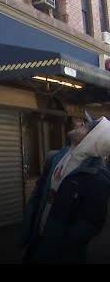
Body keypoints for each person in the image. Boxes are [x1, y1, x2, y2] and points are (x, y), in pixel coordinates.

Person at [20, 111, 110, 264]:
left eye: (86, 125)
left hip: (61, 254)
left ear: (93, 138)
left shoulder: (97, 176)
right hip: (36, 242)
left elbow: (90, 224)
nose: (79, 123)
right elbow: (39, 190)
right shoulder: (55, 157)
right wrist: (29, 224)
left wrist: (62, 247)